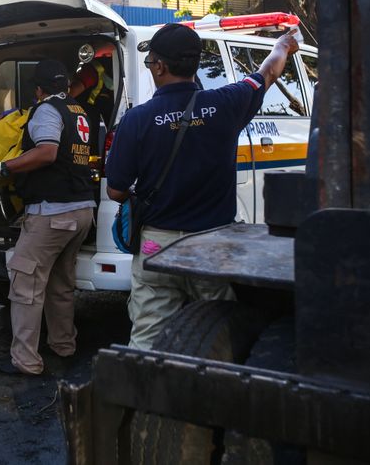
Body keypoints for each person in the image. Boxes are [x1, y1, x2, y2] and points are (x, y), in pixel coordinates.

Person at [105, 23, 299, 350]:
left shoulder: (137, 119)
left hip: (156, 247)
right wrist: (282, 45)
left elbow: (116, 191)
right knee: (219, 334)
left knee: (146, 340)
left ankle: (145, 397)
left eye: (151, 61)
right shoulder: (227, 103)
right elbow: (267, 72)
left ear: (160, 67)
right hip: (211, 247)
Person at [0, 59, 96, 375]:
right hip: (81, 211)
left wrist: (4, 167)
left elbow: (48, 151)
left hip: (52, 214)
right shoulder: (77, 110)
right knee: (61, 283)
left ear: (38, 90)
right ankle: (63, 344)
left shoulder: (45, 111)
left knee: (25, 286)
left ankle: (25, 360)